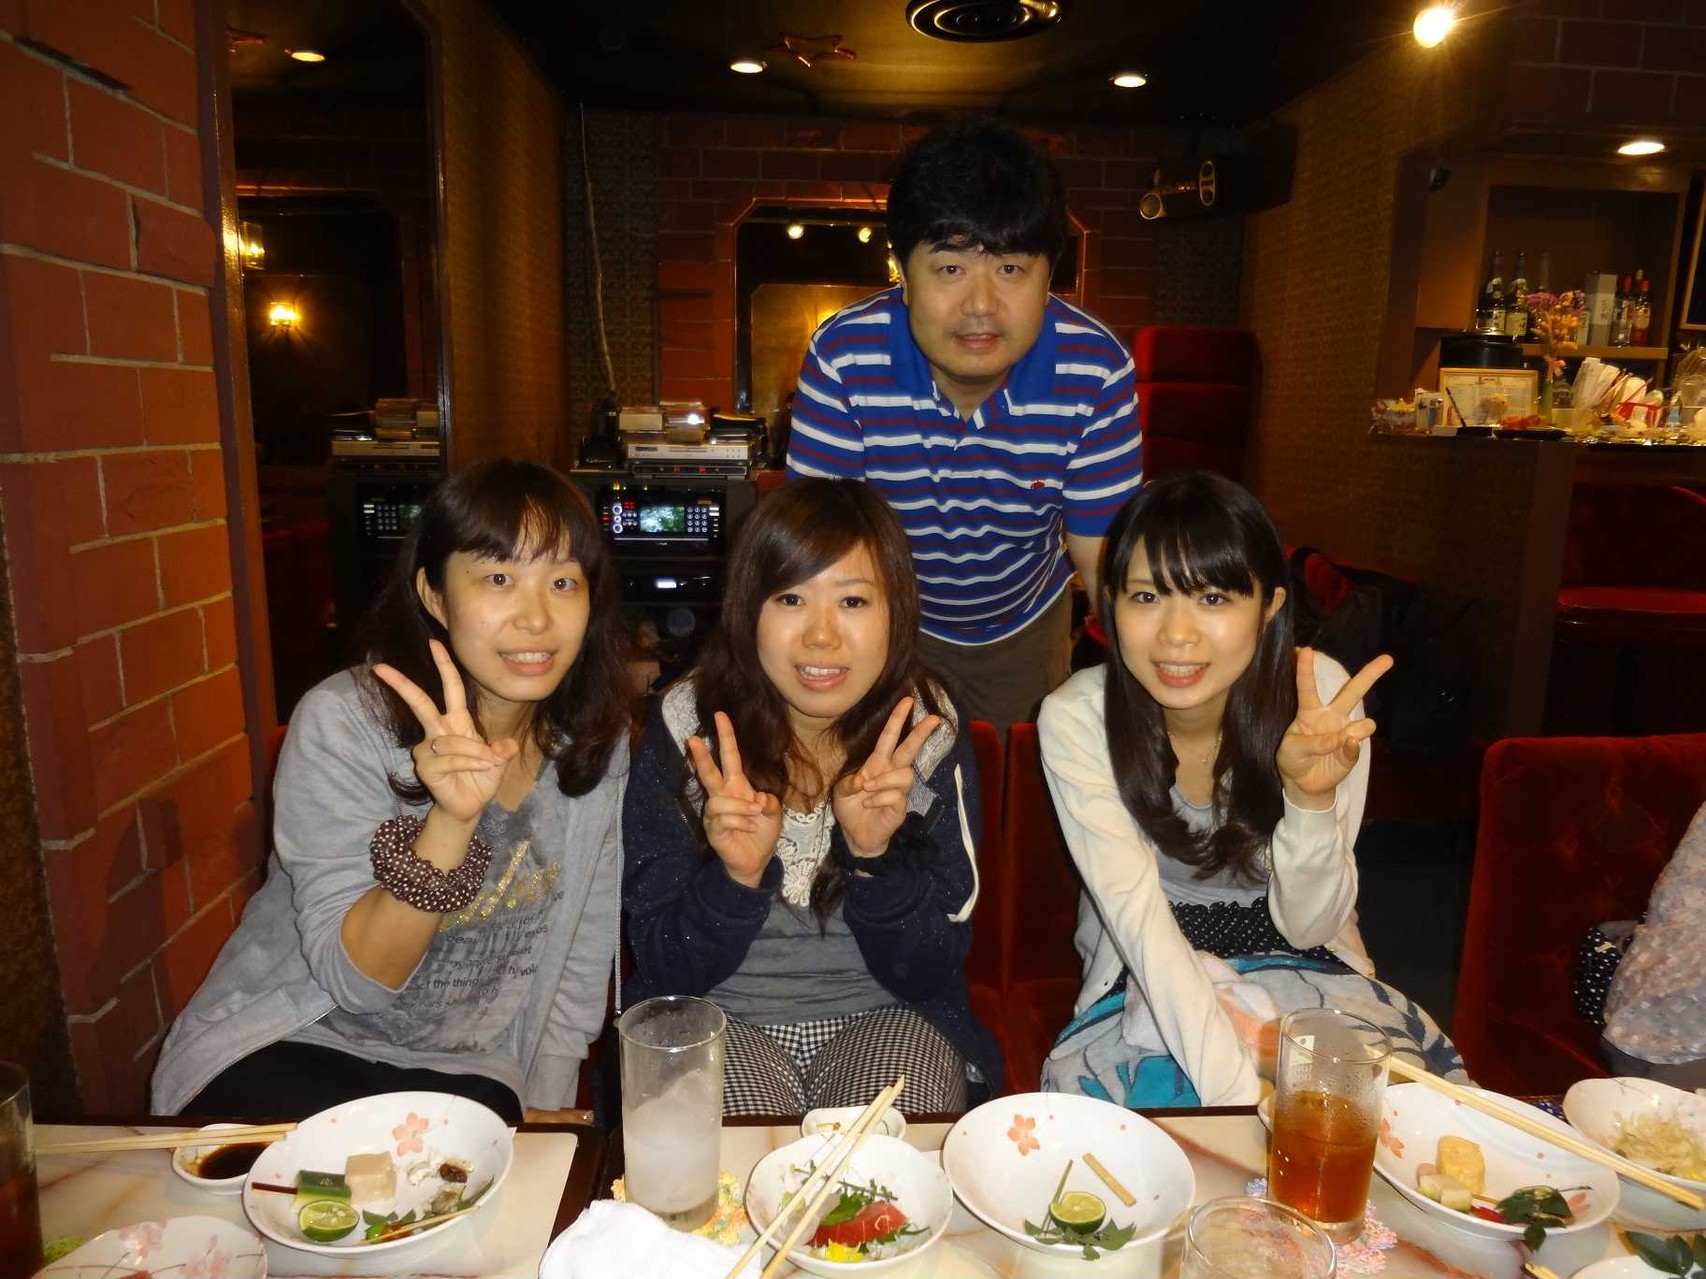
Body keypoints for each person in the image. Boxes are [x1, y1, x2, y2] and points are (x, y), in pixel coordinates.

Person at [151, 459, 632, 1123]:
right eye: (498, 578)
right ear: (434, 595)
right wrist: (450, 824)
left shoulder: (594, 742)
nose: (536, 618)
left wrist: (546, 1107)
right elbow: (358, 985)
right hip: (294, 1043)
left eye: (562, 582)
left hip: (464, 1073)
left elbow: (579, 956)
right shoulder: (346, 722)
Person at [1038, 472, 1466, 1107]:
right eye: (1147, 596)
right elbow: (1139, 922)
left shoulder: (1319, 698)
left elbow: (1310, 925)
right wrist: (1239, 1102)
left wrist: (1310, 801)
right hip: (1146, 968)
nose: (1176, 635)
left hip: (1305, 957)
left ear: (1269, 606)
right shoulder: (1080, 718)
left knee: (1395, 1124)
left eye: (1213, 598)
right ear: (1110, 605)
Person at [622, 478, 1003, 1114]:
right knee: (740, 1164)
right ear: (748, 609)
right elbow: (664, 966)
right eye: (791, 598)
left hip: (890, 1019)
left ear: (896, 611)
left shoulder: (925, 731)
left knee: (875, 1168)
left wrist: (874, 858)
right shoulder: (689, 727)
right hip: (717, 1018)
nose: (822, 637)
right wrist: (736, 879)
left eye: (853, 601)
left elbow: (931, 969)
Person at [786, 115, 1142, 729]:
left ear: (1049, 277)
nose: (981, 306)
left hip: (1025, 622)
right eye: (950, 269)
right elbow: (822, 545)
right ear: (902, 273)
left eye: (1011, 269)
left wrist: (1156, 693)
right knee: (886, 776)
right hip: (887, 618)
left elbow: (1104, 559)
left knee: (1023, 776)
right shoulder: (843, 357)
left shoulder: (1096, 369)